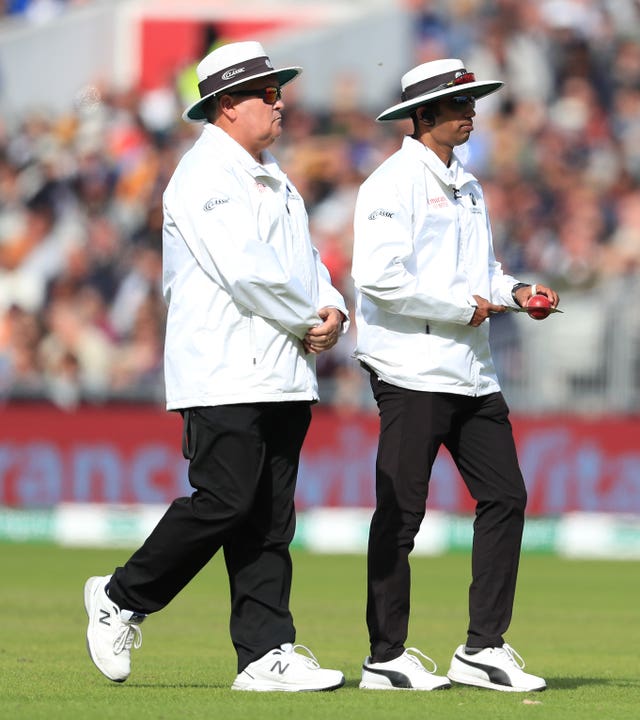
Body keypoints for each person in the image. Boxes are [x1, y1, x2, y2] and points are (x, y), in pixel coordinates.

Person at [83, 41, 348, 692]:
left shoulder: (275, 176)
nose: (279, 100)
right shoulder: (204, 176)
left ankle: (265, 654)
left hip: (283, 366)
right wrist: (307, 319)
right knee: (226, 500)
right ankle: (120, 596)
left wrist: (333, 305)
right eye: (265, 92)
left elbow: (304, 260)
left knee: (270, 519)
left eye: (277, 89)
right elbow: (246, 272)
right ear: (227, 104)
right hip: (223, 365)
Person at [351, 59, 559, 692]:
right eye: (457, 102)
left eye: (472, 100)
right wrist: (462, 306)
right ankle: (385, 656)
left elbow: (482, 275)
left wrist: (517, 291)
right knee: (402, 512)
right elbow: (380, 278)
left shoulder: (468, 185)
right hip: (412, 370)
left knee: (507, 497)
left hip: (472, 373)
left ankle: (482, 648)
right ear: (423, 117)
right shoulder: (391, 184)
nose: (470, 110)